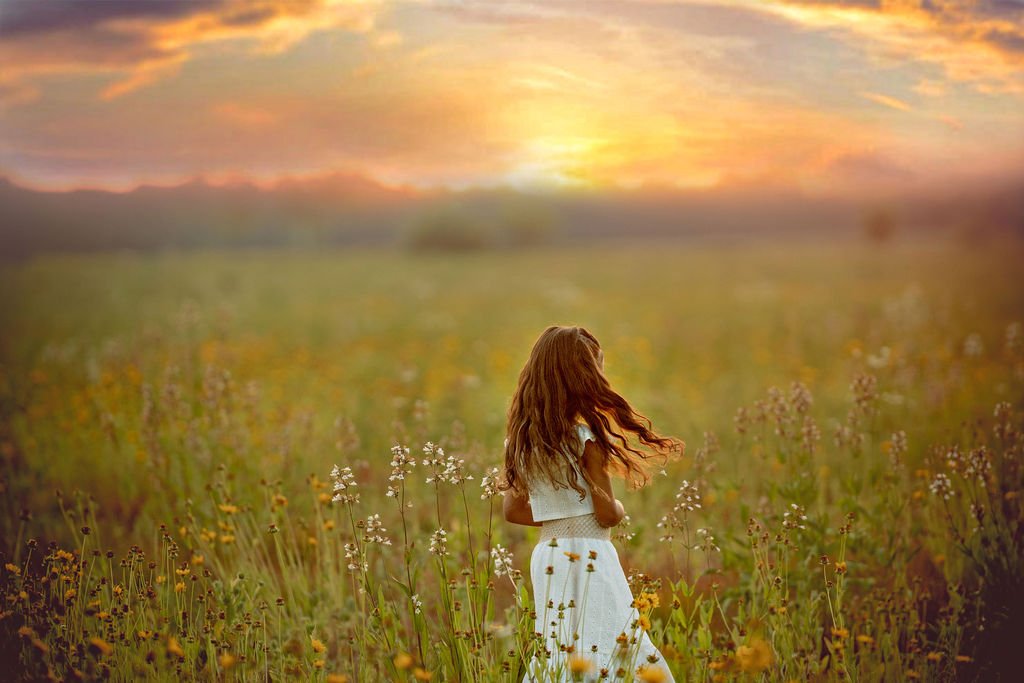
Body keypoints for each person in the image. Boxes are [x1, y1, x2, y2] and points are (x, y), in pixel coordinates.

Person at [499, 325, 684, 682]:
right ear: (581, 383)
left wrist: (560, 522)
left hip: (549, 554)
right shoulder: (586, 440)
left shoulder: (522, 442)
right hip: (590, 555)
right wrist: (618, 511)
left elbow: (513, 511)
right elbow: (606, 514)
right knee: (613, 641)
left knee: (561, 647)